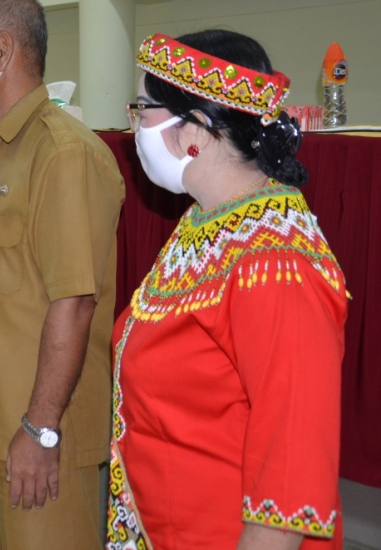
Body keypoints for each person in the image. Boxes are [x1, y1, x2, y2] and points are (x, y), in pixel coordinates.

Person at [109, 30, 347, 549]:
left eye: (143, 110)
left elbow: (289, 486)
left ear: (194, 129)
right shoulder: (208, 222)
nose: (134, 127)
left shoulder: (278, 264)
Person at [0, 0, 125, 549]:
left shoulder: (63, 153)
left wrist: (41, 431)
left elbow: (75, 302)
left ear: (0, 52)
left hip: (38, 441)